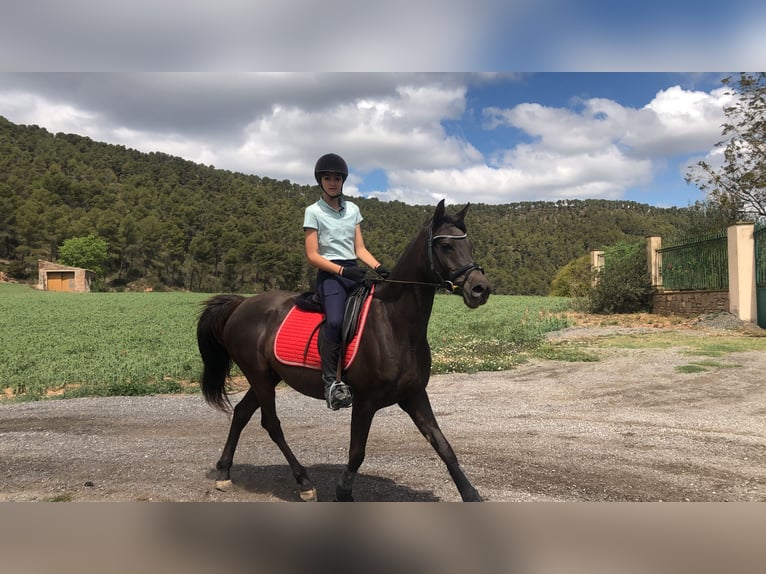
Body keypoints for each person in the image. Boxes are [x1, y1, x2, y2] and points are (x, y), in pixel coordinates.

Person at [303, 153, 390, 410]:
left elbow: (360, 248)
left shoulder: (353, 209)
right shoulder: (313, 212)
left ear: (343, 181)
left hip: (354, 270)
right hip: (330, 275)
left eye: (337, 178)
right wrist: (341, 272)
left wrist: (379, 267)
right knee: (336, 321)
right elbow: (312, 255)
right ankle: (331, 382)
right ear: (321, 181)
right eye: (328, 178)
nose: (333, 182)